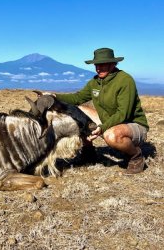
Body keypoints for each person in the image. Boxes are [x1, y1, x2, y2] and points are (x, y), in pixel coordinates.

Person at [55, 47, 149, 175]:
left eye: (103, 65)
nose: (98, 68)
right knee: (79, 112)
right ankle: (89, 153)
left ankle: (136, 156)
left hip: (133, 125)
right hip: (110, 121)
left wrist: (102, 127)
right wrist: (54, 97)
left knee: (110, 135)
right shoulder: (95, 82)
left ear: (113, 64)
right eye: (96, 65)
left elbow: (123, 113)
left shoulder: (125, 80)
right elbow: (78, 98)